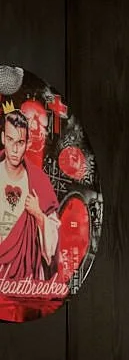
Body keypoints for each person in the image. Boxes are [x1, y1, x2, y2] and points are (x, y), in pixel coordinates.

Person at [0, 103, 60, 290]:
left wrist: (39, 215)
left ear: (27, 143)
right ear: (3, 138)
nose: (15, 149)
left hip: (24, 280)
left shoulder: (38, 181)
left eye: (20, 142)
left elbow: (54, 237)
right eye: (10, 140)